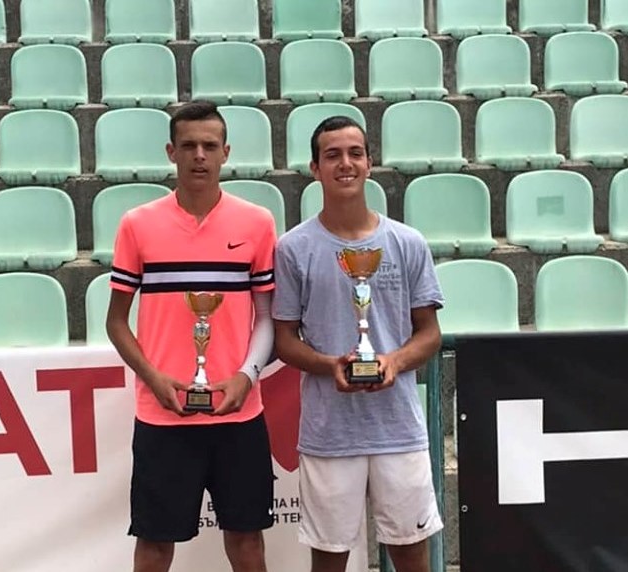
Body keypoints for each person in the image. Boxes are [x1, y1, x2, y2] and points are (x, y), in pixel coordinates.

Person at [106, 100, 277, 572]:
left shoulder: (257, 223)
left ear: (226, 152)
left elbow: (266, 317)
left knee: (247, 542)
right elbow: (116, 321)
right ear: (171, 152)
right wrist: (153, 378)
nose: (199, 155)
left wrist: (246, 376)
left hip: (238, 413)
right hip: (163, 416)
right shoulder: (137, 224)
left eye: (209, 146)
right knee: (155, 544)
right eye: (188, 146)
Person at [272, 116, 444, 572]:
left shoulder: (407, 242)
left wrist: (394, 361)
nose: (345, 164)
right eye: (332, 155)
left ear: (369, 163)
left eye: (354, 153)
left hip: (398, 428)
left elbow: (429, 332)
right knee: (329, 558)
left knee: (411, 554)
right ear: (315, 168)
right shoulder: (293, 248)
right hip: (330, 432)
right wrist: (330, 364)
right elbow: (285, 340)